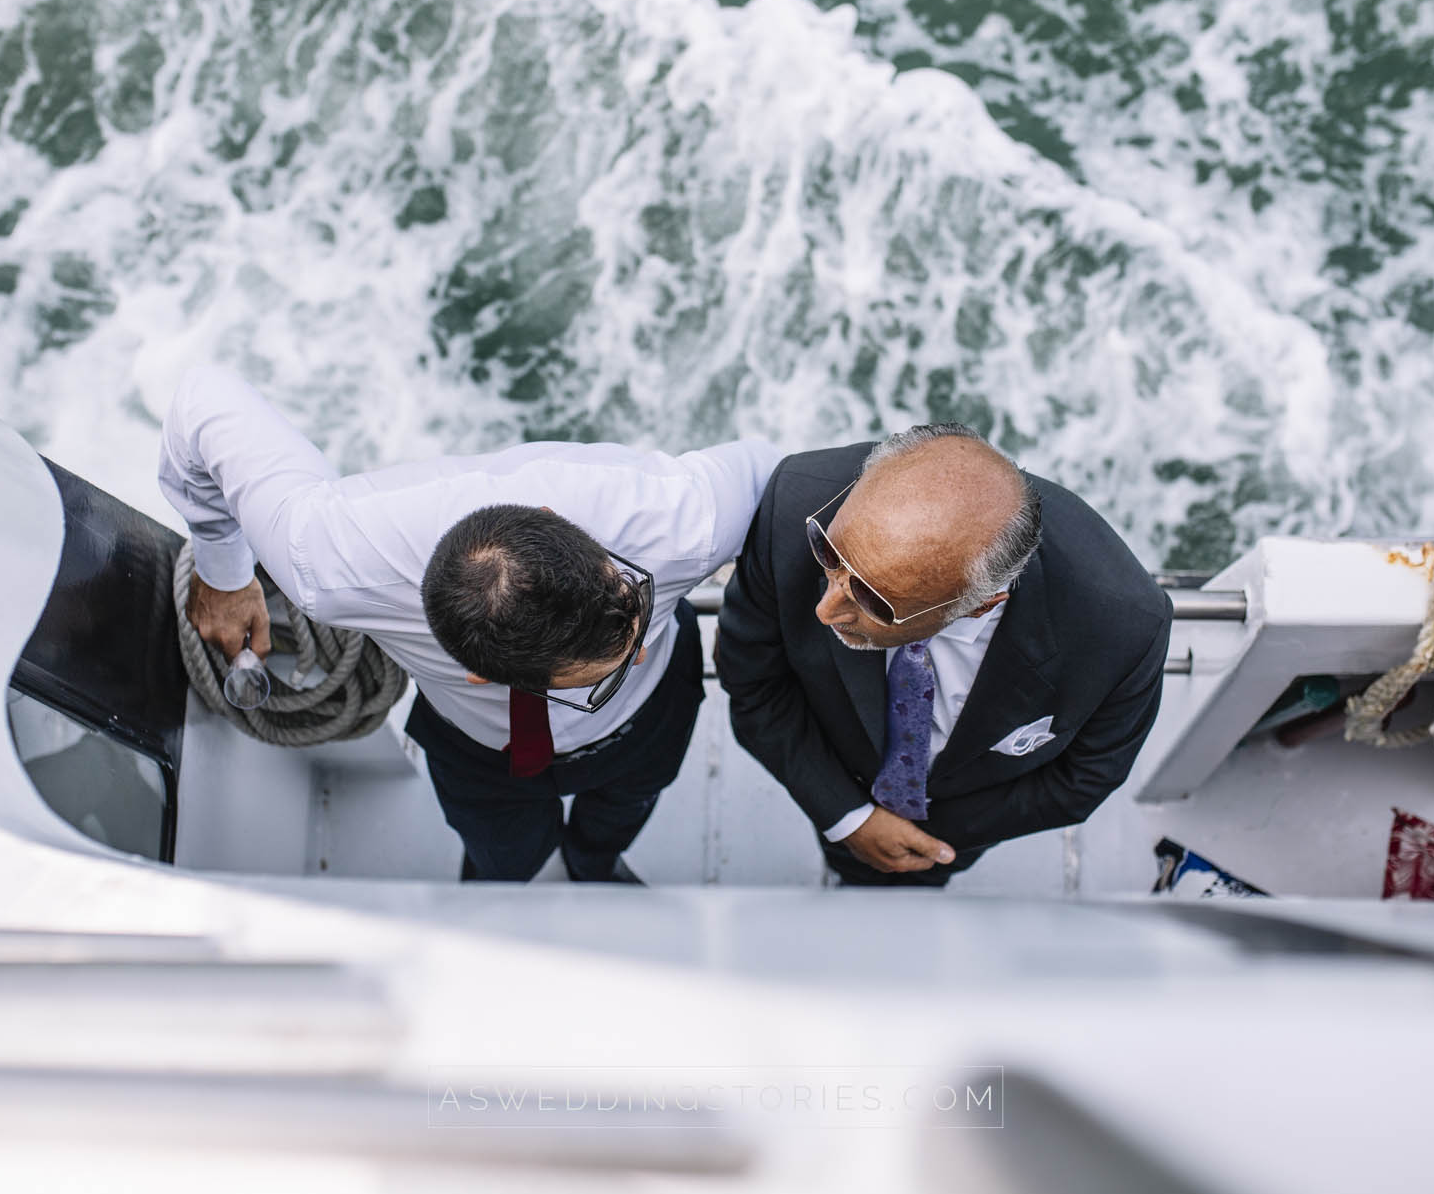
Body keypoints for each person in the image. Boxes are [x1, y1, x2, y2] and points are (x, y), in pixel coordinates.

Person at [159, 365, 778, 883]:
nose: (637, 647)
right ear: (481, 674)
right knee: (503, 854)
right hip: (480, 754)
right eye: (598, 680)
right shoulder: (325, 557)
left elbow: (787, 479)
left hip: (649, 721)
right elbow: (200, 402)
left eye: (632, 595)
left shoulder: (677, 517)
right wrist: (225, 566)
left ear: (551, 517)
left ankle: (594, 863)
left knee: (620, 817)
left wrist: (222, 575)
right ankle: (519, 875)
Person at [715, 423, 1172, 886]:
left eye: (874, 601)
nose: (825, 610)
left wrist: (929, 844)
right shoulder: (794, 502)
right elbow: (754, 683)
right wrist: (848, 818)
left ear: (980, 604)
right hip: (834, 776)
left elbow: (1086, 777)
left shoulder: (1124, 626)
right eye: (828, 554)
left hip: (959, 830)